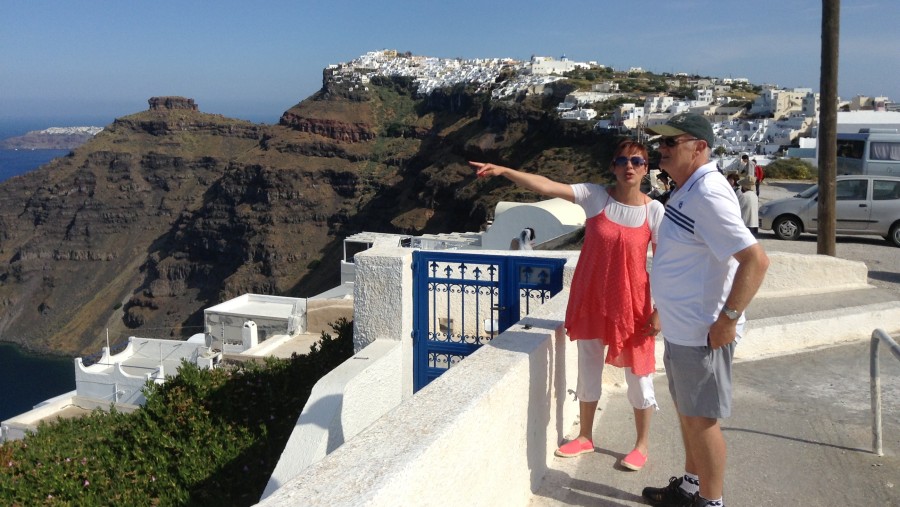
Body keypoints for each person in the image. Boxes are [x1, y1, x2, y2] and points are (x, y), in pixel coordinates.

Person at [470, 139, 664, 472]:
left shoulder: (653, 211)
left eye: (636, 161)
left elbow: (664, 264)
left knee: (640, 376)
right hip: (592, 297)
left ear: (646, 168)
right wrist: (504, 171)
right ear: (612, 167)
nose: (628, 167)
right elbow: (546, 185)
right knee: (588, 366)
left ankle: (641, 445)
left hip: (632, 304)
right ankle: (585, 436)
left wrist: (661, 308)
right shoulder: (595, 197)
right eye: (621, 161)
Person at [642, 113, 769, 507]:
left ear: (699, 147)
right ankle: (691, 488)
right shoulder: (688, 188)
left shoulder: (709, 194)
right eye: (660, 143)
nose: (660, 149)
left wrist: (727, 320)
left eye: (670, 143)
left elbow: (756, 260)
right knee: (689, 417)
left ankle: (711, 502)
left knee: (702, 423)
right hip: (684, 330)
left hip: (702, 334)